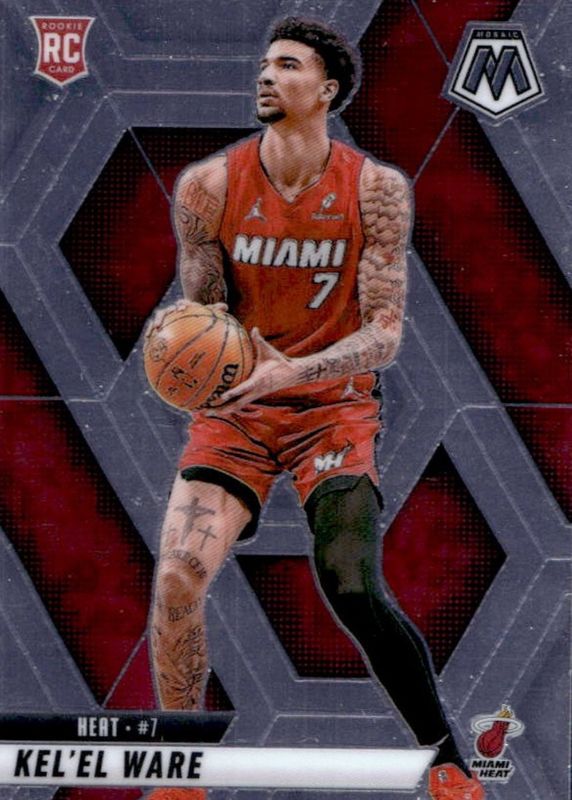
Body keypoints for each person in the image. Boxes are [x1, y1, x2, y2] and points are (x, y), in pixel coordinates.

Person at [146, 17, 484, 800]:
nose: (266, 75)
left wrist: (294, 369)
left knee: (352, 587)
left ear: (326, 89)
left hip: (332, 411)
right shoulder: (208, 188)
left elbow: (385, 334)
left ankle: (445, 761)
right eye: (265, 64)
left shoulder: (374, 190)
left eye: (288, 65)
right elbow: (206, 318)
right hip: (238, 416)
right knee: (177, 580)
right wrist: (184, 351)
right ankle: (179, 771)